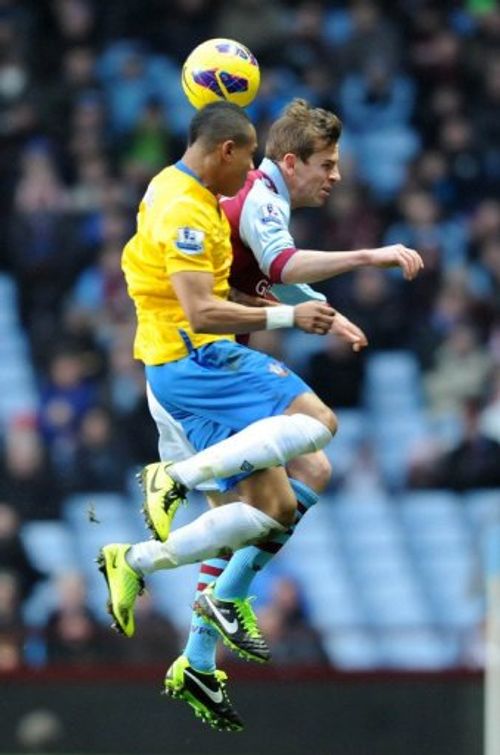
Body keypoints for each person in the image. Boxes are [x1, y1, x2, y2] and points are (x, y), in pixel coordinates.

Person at [114, 99, 423, 731]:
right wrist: (371, 257)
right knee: (317, 432)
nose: (335, 177)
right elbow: (278, 266)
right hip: (196, 361)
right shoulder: (255, 196)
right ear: (291, 161)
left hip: (191, 362)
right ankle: (172, 493)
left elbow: (264, 276)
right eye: (327, 164)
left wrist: (325, 312)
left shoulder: (219, 193)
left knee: (281, 499)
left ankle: (194, 640)